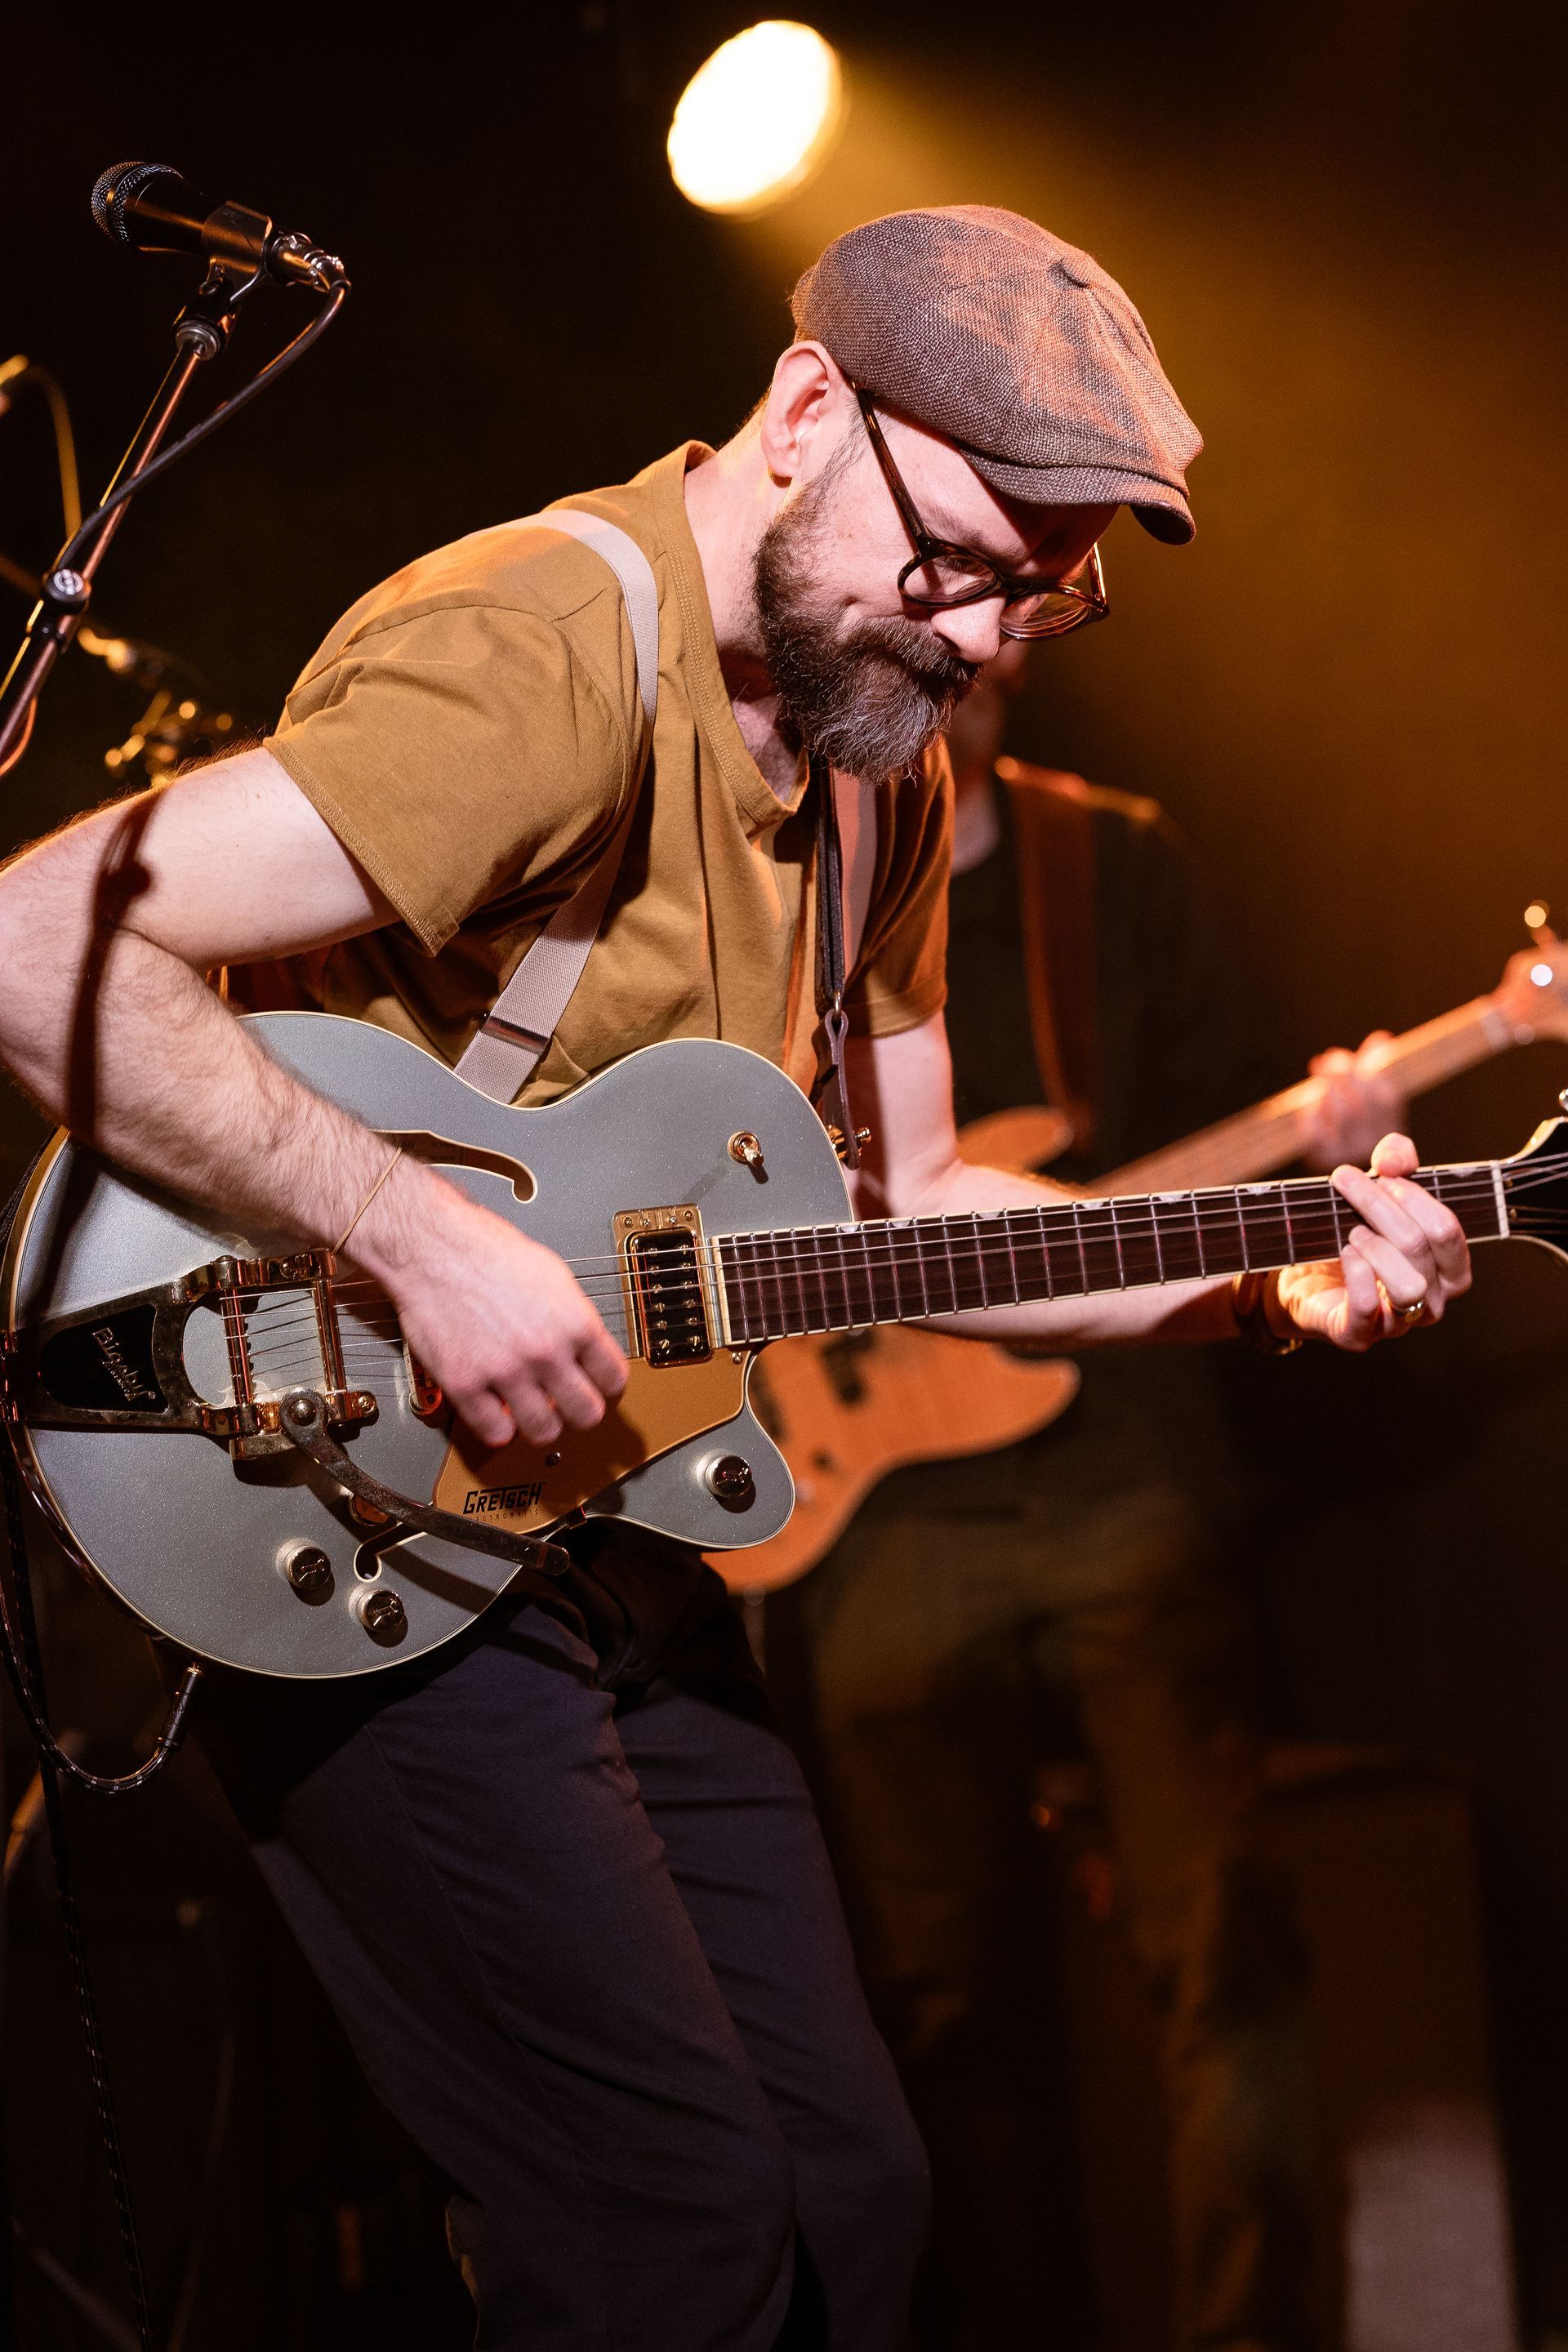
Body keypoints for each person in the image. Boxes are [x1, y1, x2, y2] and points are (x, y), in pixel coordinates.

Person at [0, 207, 1468, 2350]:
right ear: (805, 412)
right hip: (310, 1480)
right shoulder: (549, 656)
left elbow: (912, 1216)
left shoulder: (889, 765)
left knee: (853, 2195)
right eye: (967, 558)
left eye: (1052, 587)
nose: (985, 635)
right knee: (664, 2223)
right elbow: (42, 940)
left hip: (590, 1519)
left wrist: (1275, 1283)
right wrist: (417, 1239)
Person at [787, 638, 1406, 2352]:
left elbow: (1227, 1126)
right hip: (882, 1505)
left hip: (1124, 1472)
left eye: (975, 661)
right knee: (936, 2009)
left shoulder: (1108, 861)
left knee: (1227, 1963)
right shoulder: (797, 888)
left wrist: (1330, 1129)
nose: (946, 680)